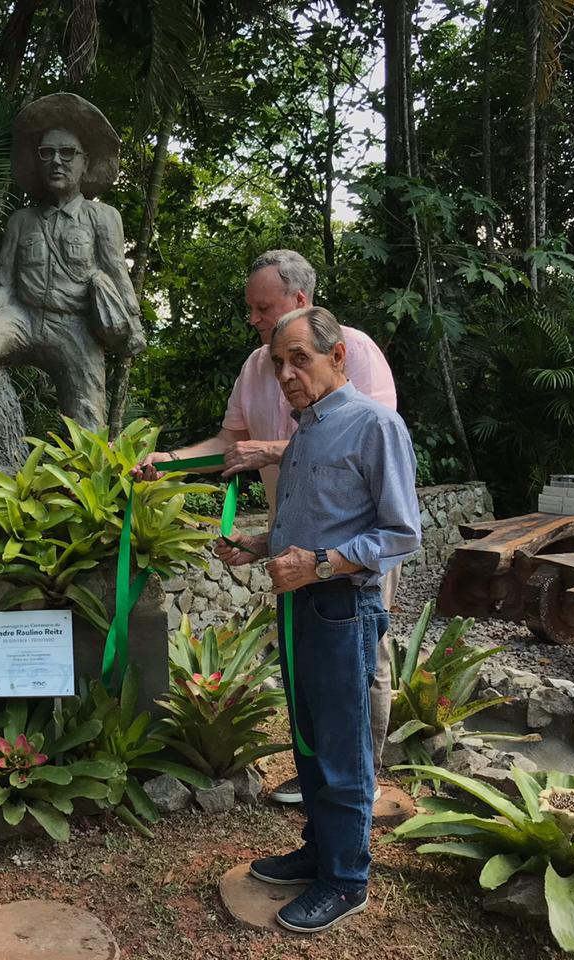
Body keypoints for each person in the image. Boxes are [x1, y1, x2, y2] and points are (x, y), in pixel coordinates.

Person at [135, 249, 399, 805]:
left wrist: (267, 451)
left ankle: (360, 781)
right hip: (288, 541)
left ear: (300, 301)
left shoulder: (355, 353)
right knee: (303, 661)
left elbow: (365, 442)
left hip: (352, 548)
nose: (252, 319)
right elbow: (231, 445)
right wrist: (172, 459)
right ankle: (319, 778)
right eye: (252, 309)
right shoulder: (257, 366)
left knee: (361, 661)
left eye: (262, 307)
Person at [217, 306, 419, 933]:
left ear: (337, 357)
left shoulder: (374, 426)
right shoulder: (306, 430)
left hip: (341, 609)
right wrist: (262, 547)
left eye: (298, 358)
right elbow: (309, 523)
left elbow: (401, 534)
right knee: (308, 737)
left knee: (342, 748)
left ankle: (347, 879)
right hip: (300, 603)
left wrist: (322, 565)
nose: (286, 373)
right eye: (279, 363)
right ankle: (319, 849)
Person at [0, 92, 145, 466]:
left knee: (88, 421)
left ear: (85, 163)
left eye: (67, 154)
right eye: (47, 153)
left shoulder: (104, 219)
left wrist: (131, 324)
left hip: (75, 326)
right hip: (22, 315)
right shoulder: (22, 220)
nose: (56, 162)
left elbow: (117, 272)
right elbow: (3, 284)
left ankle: (81, 491)